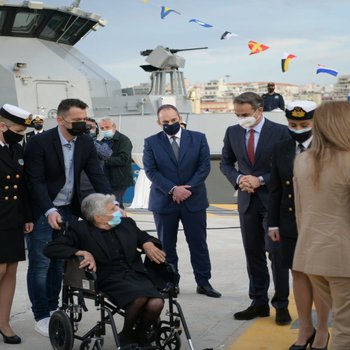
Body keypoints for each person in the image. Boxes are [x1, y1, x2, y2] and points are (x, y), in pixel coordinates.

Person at [24, 98, 113, 337]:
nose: (83, 124)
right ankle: (41, 315)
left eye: (84, 119)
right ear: (61, 120)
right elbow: (36, 182)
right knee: (41, 263)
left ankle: (54, 308)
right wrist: (49, 210)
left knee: (60, 262)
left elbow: (97, 174)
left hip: (68, 210)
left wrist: (112, 202)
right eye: (77, 121)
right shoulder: (39, 143)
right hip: (44, 210)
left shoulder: (85, 142)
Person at [44, 193, 166, 346]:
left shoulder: (126, 223)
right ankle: (127, 336)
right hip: (107, 277)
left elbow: (143, 237)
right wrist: (80, 252)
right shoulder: (80, 229)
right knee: (139, 297)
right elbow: (51, 248)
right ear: (98, 217)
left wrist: (147, 243)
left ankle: (140, 334)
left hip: (135, 274)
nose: (118, 211)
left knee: (157, 303)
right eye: (112, 209)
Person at [220, 92, 291, 324]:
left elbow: (288, 166)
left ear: (259, 110)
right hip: (247, 202)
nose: (241, 119)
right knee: (253, 254)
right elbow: (226, 163)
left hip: (273, 202)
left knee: (276, 254)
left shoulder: (281, 132)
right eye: (237, 114)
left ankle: (281, 304)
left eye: (245, 114)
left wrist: (260, 179)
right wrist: (240, 179)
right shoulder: (232, 132)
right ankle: (258, 302)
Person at [268, 101, 329, 349]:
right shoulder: (280, 148)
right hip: (289, 221)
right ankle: (306, 327)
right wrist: (273, 223)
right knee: (299, 274)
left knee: (320, 277)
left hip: (319, 222)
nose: (298, 129)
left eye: (304, 124)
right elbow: (275, 190)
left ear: (315, 122)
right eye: (293, 124)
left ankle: (323, 329)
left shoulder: (328, 148)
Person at [143, 104, 221, 298]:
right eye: (165, 122)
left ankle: (203, 282)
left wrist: (186, 189)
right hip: (164, 201)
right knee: (166, 245)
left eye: (173, 120)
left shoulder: (198, 138)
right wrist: (173, 189)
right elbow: (151, 171)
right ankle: (170, 282)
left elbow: (203, 168)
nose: (170, 124)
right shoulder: (151, 142)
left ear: (180, 118)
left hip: (193, 200)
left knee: (198, 244)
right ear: (159, 122)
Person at [293, 101, 350, 350]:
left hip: (311, 255)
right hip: (343, 257)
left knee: (340, 321)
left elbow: (301, 212)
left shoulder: (303, 161)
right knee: (346, 330)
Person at [0, 104, 34, 344]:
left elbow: (22, 188)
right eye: (18, 130)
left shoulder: (15, 150)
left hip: (12, 218)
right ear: (2, 126)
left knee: (10, 270)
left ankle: (3, 322)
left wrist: (28, 216)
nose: (21, 135)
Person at [99, 117, 134, 209]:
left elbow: (124, 159)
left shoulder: (124, 140)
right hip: (107, 179)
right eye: (102, 128)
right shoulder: (102, 141)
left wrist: (104, 161)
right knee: (112, 206)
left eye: (107, 127)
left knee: (115, 205)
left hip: (119, 179)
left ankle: (122, 222)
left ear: (114, 126)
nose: (105, 130)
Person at [80, 117, 112, 198]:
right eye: (86, 127)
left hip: (93, 187)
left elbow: (106, 154)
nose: (89, 129)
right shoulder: (73, 143)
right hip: (75, 186)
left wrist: (90, 140)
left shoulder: (100, 144)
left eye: (92, 128)